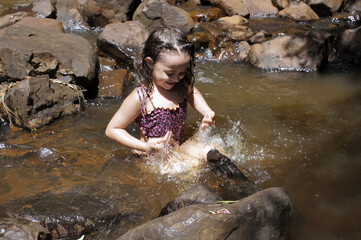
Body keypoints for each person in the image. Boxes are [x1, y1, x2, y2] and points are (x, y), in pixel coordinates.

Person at [105, 26, 215, 161]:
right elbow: (112, 129)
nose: (177, 78)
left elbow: (192, 92)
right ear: (150, 63)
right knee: (192, 167)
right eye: (170, 73)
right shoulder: (142, 96)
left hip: (175, 151)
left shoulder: (182, 84)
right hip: (149, 158)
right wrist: (145, 147)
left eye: (182, 72)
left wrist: (206, 111)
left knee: (211, 150)